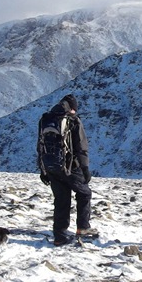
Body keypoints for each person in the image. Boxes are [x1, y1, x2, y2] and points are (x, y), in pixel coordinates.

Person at [37, 94, 96, 246]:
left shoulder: (46, 119)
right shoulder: (72, 121)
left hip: (51, 167)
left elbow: (40, 146)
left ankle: (60, 236)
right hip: (70, 166)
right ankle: (83, 229)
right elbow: (81, 147)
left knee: (61, 200)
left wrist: (43, 170)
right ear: (72, 108)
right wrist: (85, 168)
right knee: (84, 193)